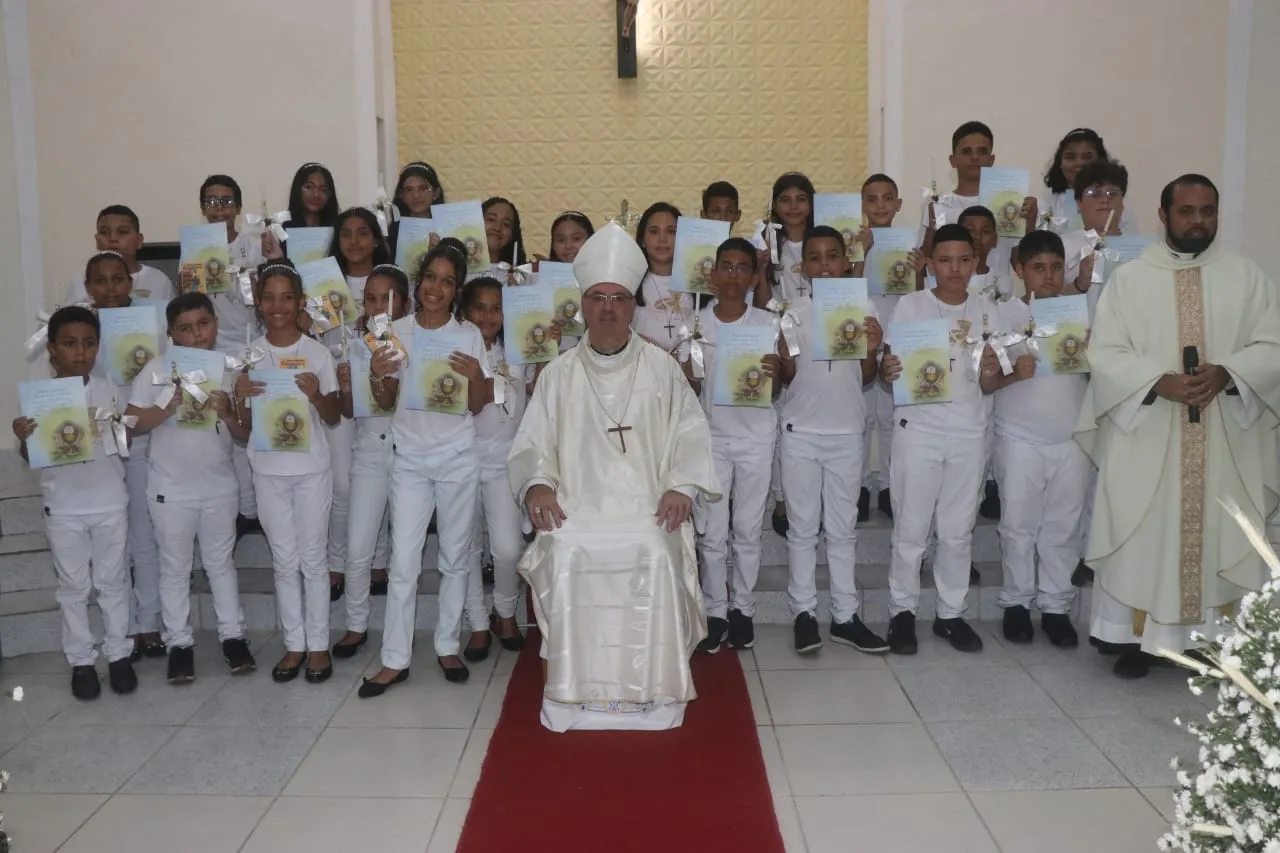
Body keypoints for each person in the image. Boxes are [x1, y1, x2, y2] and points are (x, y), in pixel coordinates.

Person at [508, 221, 720, 732]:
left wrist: (681, 485)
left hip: (647, 508)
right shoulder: (558, 375)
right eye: (597, 297)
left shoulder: (662, 368)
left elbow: (690, 431)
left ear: (632, 305)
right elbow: (533, 441)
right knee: (562, 548)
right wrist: (538, 484)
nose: (607, 308)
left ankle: (657, 694)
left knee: (656, 549)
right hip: (578, 507)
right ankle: (571, 696)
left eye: (619, 298)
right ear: (582, 304)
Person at [1077, 174, 1280, 678]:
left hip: (1225, 434)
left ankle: (1207, 642)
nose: (1198, 220)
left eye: (1207, 211)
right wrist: (1156, 383)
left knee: (1216, 530)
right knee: (1145, 529)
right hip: (1149, 435)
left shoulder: (1246, 276)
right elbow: (1105, 353)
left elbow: (1272, 345)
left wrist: (1228, 373)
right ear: (1165, 215)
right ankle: (1130, 638)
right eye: (1187, 211)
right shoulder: (1130, 279)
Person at [358, 239, 487, 697]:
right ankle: (395, 659)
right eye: (430, 277)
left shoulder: (469, 335)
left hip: (457, 456)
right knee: (403, 563)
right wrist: (376, 372)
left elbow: (478, 402)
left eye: (447, 282)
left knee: (455, 557)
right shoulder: (395, 331)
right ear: (419, 282)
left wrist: (476, 378)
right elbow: (387, 400)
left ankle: (448, 644)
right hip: (409, 458)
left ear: (456, 290)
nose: (436, 287)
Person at [881, 224, 1003, 655]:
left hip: (968, 432)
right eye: (945, 260)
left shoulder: (988, 309)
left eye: (963, 260)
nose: (954, 269)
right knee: (912, 529)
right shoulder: (911, 306)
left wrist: (992, 372)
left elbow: (990, 382)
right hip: (919, 431)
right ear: (931, 264)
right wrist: (888, 370)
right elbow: (888, 368)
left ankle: (951, 615)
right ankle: (902, 613)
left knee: (956, 532)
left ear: (974, 262)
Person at [126, 292, 257, 682]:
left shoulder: (230, 370)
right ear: (171, 334)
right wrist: (167, 406)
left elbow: (243, 433)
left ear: (215, 323)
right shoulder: (155, 370)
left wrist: (230, 412)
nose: (197, 334)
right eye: (186, 328)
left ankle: (233, 637)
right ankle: (179, 643)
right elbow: (133, 423)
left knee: (220, 564)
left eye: (203, 324)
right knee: (174, 568)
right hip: (171, 489)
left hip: (218, 486)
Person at [13, 306, 137, 700]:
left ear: (98, 347)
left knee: (113, 582)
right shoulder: (41, 399)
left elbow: (127, 445)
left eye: (88, 344)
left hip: (108, 501)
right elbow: (31, 456)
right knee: (73, 586)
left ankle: (119, 654)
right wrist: (22, 437)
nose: (80, 353)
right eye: (69, 344)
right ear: (52, 350)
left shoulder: (112, 389)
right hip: (64, 506)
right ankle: (81, 661)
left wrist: (113, 427)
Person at [783, 227, 889, 655]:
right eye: (815, 257)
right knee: (803, 528)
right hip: (801, 433)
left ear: (846, 262)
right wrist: (777, 354)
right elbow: (787, 379)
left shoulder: (864, 307)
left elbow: (866, 379)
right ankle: (804, 614)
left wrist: (873, 348)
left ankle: (845, 617)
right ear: (803, 266)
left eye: (832, 257)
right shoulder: (790, 312)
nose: (824, 265)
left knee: (843, 531)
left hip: (847, 431)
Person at [234, 261, 341, 684]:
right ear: (259, 304)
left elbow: (333, 416)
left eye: (286, 297)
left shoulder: (317, 353)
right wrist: (238, 397)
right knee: (283, 562)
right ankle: (293, 645)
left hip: (311, 469)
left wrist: (316, 395)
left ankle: (318, 646)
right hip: (268, 471)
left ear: (299, 303)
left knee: (313, 560)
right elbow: (242, 429)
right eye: (269, 297)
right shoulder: (250, 354)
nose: (277, 305)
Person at [686, 238, 789, 653]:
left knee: (747, 528)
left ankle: (742, 609)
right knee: (712, 531)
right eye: (724, 267)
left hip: (756, 437)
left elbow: (779, 386)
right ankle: (714, 608)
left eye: (741, 268)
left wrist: (776, 371)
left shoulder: (768, 324)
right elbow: (690, 385)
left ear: (752, 276)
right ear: (711, 276)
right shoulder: (695, 323)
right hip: (712, 436)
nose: (732, 275)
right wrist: (686, 367)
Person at [987, 231, 1088, 647]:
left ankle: (1056, 606)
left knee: (1063, 525)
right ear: (1020, 269)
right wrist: (1014, 370)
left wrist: (1094, 356)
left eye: (1054, 268)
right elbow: (987, 378)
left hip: (1070, 436)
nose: (1047, 277)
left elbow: (1097, 369)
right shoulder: (1002, 314)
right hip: (1019, 435)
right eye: (1038, 268)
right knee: (1018, 524)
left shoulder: (1080, 312)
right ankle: (1016, 602)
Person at [82, 251, 165, 660]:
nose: (110, 288)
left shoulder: (149, 324)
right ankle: (122, 629)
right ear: (87, 289)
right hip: (97, 446)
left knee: (142, 534)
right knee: (113, 545)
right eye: (101, 280)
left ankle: (148, 623)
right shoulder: (79, 330)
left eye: (118, 279)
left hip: (140, 437)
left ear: (131, 284)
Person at [332, 264, 407, 658]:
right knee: (359, 545)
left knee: (405, 549)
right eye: (372, 299)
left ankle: (401, 629)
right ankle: (356, 625)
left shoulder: (413, 339)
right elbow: (348, 410)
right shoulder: (353, 344)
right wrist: (346, 386)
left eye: (387, 298)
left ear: (403, 303)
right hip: (369, 451)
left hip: (410, 452)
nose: (379, 306)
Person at [323, 207, 394, 601]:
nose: (354, 241)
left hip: (376, 391)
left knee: (375, 476)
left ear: (375, 238)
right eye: (346, 233)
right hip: (340, 386)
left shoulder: (388, 280)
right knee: (344, 485)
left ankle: (378, 562)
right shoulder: (324, 281)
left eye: (362, 232)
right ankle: (336, 565)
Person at [459, 275, 533, 659]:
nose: (488, 316)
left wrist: (546, 345)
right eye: (479, 307)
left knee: (506, 548)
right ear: (465, 310)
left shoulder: (519, 349)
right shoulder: (456, 350)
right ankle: (476, 622)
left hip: (505, 460)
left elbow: (538, 393)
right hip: (463, 458)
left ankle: (505, 611)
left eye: (496, 308)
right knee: (468, 546)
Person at [190, 175, 265, 540]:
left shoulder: (254, 246)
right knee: (222, 430)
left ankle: (254, 510)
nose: (218, 208)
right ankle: (235, 510)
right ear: (202, 207)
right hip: (213, 351)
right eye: (211, 202)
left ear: (237, 206)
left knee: (250, 427)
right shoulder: (194, 248)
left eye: (225, 201)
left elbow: (264, 298)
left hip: (252, 346)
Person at [761, 172, 817, 537]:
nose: (793, 206)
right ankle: (782, 498)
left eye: (801, 199)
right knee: (780, 420)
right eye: (785, 199)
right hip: (777, 334)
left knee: (811, 419)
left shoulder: (824, 241)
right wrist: (762, 264)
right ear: (775, 205)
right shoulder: (768, 245)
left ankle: (813, 496)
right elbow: (761, 301)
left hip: (815, 336)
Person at [852, 173, 905, 522]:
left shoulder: (910, 243)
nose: (880, 205)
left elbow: (918, 293)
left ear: (898, 205)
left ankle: (887, 485)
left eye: (887, 198)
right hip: (861, 336)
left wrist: (919, 267)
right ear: (863, 206)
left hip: (898, 332)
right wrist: (862, 252)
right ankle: (857, 486)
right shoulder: (856, 243)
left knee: (889, 416)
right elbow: (847, 289)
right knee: (861, 416)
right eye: (872, 199)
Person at [64, 205, 174, 304]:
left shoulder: (159, 280)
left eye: (122, 232)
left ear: (139, 240)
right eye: (104, 232)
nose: (113, 239)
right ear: (97, 241)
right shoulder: (79, 282)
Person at [1039, 128, 1138, 235]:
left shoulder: (1115, 202)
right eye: (1070, 157)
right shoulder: (1046, 201)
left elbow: (1131, 242)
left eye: (1087, 157)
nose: (1079, 163)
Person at [632, 202, 692, 351]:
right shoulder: (630, 285)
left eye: (671, 231)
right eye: (654, 231)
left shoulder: (699, 284)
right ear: (642, 240)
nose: (662, 239)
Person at [387, 161, 444, 255]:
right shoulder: (394, 232)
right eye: (409, 190)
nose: (416, 195)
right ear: (401, 195)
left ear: (435, 193)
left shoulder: (447, 227)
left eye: (423, 188)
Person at [483, 196, 527, 280]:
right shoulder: (458, 270)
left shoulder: (520, 276)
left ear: (512, 235)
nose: (497, 228)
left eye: (506, 224)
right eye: (491, 219)